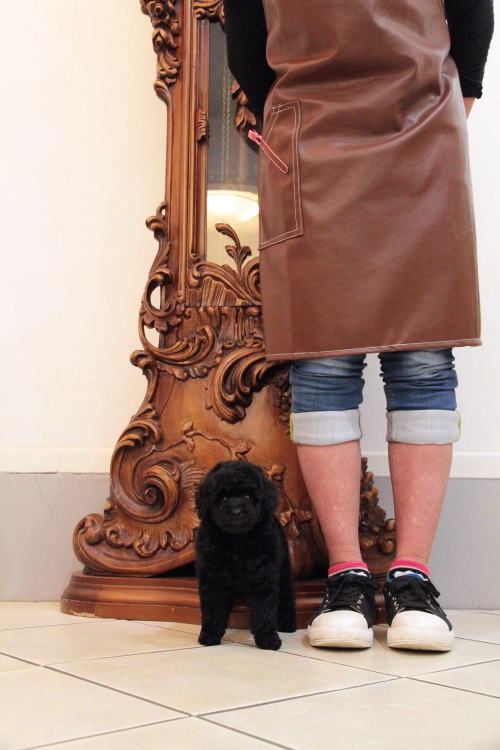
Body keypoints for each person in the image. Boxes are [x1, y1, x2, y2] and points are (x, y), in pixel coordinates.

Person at [222, 0, 494, 651]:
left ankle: (412, 579)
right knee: (321, 359)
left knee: (423, 355)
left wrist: (450, 101)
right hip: (311, 138)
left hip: (422, 128)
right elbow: (247, 38)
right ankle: (345, 579)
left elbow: (472, 15)